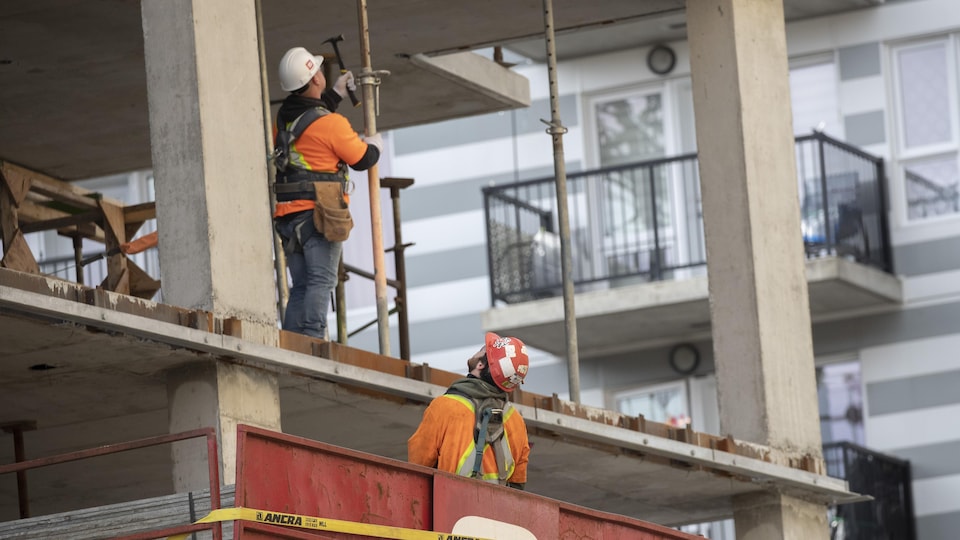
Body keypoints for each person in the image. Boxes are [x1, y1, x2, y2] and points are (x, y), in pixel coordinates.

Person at [273, 46, 382, 339]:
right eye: (318, 71)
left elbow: (311, 123)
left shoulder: (284, 118)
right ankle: (314, 341)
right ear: (316, 79)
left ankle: (294, 341)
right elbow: (363, 159)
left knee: (303, 285)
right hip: (319, 214)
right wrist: (376, 145)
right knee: (321, 281)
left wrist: (335, 94)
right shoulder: (333, 124)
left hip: (288, 215)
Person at [408, 332, 531, 489]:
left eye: (483, 350)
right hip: (497, 512)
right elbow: (517, 487)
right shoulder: (516, 422)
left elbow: (416, 469)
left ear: (481, 364)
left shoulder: (444, 407)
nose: (479, 351)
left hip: (450, 507)